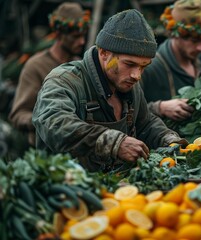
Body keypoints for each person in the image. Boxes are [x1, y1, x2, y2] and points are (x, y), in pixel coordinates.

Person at [32, 9, 187, 172]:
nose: (137, 75)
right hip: (65, 189)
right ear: (104, 53)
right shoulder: (64, 80)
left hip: (115, 188)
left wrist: (168, 139)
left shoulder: (129, 83)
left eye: (143, 67)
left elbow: (145, 123)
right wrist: (112, 142)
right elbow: (54, 123)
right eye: (129, 64)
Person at [8, 2, 90, 146]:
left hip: (76, 146)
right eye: (75, 36)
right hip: (44, 149)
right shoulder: (36, 66)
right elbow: (19, 114)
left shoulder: (79, 66)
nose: (81, 41)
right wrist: (46, 120)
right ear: (58, 34)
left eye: (83, 36)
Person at [141, 0, 201, 121]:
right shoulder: (150, 68)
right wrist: (159, 108)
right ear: (174, 34)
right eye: (194, 41)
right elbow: (126, 111)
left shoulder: (199, 64)